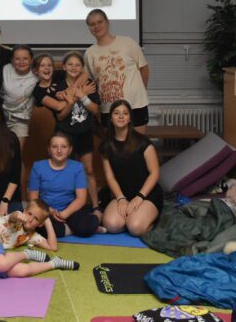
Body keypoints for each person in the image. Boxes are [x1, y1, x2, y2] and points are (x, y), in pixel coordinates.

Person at [34, 52, 101, 208]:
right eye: (70, 64)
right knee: (64, 170)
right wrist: (75, 96)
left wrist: (83, 96)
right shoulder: (58, 87)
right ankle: (63, 205)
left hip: (84, 132)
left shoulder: (89, 84)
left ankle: (95, 206)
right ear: (63, 67)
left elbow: (95, 110)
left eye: (77, 65)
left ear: (82, 67)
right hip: (64, 133)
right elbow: (61, 116)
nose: (74, 67)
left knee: (89, 170)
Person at [99, 99, 162, 236]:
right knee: (111, 225)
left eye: (125, 113)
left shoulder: (143, 143)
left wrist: (140, 196)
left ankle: (145, 219)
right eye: (116, 113)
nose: (121, 116)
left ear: (129, 119)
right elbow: (110, 177)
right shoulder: (106, 146)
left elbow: (155, 173)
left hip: (147, 194)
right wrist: (120, 198)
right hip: (123, 194)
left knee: (135, 227)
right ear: (111, 118)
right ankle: (130, 217)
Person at [84, 9, 150, 134]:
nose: (96, 26)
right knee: (113, 145)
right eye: (92, 24)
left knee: (137, 144)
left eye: (99, 22)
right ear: (89, 28)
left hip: (136, 105)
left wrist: (140, 93)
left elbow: (144, 69)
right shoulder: (90, 53)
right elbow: (91, 82)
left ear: (107, 22)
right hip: (108, 109)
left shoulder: (128, 42)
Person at [28, 131, 102, 238]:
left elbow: (81, 198)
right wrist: (49, 210)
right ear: (49, 149)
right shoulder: (38, 167)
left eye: (63, 147)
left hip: (71, 210)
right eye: (54, 147)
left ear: (70, 150)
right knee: (36, 226)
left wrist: (65, 213)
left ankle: (97, 216)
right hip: (46, 210)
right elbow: (33, 198)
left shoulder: (77, 167)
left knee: (85, 226)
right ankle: (71, 230)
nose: (59, 150)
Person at [1, 45, 36, 149]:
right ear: (12, 60)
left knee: (16, 153)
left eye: (25, 58)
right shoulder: (5, 69)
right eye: (17, 59)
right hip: (1, 117)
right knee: (0, 152)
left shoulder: (37, 74)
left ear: (31, 60)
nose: (21, 62)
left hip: (21, 119)